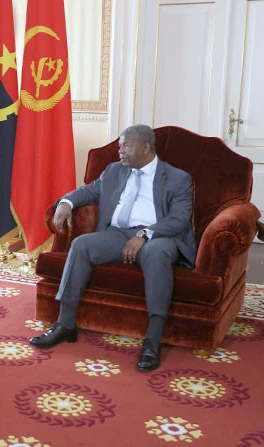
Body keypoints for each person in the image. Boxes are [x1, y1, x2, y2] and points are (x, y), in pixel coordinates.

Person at [29, 124, 196, 372]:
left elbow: (179, 219)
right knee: (81, 244)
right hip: (117, 234)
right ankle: (65, 324)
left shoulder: (177, 178)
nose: (120, 151)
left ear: (145, 147)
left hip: (158, 237)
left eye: (126, 146)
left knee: (156, 253)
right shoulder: (115, 170)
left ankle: (153, 338)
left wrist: (144, 234)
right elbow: (89, 190)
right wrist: (66, 203)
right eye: (119, 146)